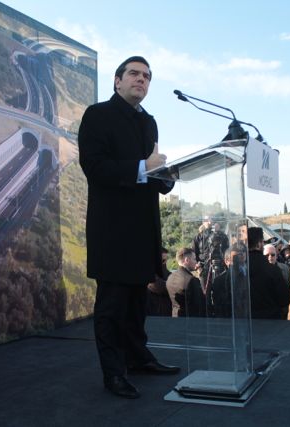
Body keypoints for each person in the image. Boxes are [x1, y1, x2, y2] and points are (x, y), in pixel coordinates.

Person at [78, 56, 178, 399]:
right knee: (112, 307)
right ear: (117, 80)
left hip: (143, 228)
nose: (141, 80)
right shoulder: (97, 115)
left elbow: (150, 172)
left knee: (137, 303)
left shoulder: (149, 122)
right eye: (134, 74)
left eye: (147, 77)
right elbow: (95, 167)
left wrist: (166, 176)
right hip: (113, 230)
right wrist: (143, 167)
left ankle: (138, 358)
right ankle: (113, 372)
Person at [247, 228, 290, 319]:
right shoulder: (273, 270)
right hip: (270, 321)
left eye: (273, 255)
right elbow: (285, 300)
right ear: (259, 244)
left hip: (245, 321)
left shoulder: (239, 268)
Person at [210, 244, 248, 318]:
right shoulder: (219, 281)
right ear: (227, 261)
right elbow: (219, 306)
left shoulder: (251, 275)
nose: (240, 260)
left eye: (242, 256)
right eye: (236, 258)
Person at [166, 247, 206, 318]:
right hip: (189, 321)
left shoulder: (170, 277)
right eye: (194, 259)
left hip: (175, 318)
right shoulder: (191, 280)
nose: (196, 262)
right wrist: (201, 276)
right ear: (187, 260)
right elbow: (202, 301)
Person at [146, 247, 172, 316]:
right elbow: (160, 287)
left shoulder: (168, 274)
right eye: (163, 260)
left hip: (166, 313)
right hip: (152, 313)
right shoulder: (148, 273)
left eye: (166, 260)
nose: (165, 263)